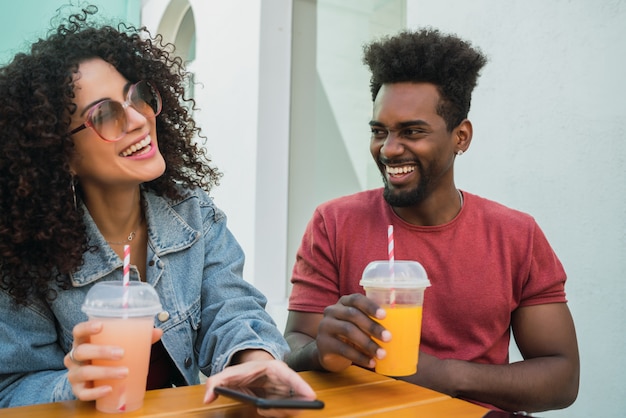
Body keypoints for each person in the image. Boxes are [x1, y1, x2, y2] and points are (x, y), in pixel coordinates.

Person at [0, 6, 315, 415]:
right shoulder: (26, 257)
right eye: (105, 115)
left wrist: (257, 366)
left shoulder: (193, 212)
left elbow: (231, 311)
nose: (136, 119)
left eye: (136, 97)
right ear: (60, 155)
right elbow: (11, 389)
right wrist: (71, 385)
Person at [284, 28, 579, 413]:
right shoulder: (334, 223)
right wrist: (319, 350)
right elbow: (293, 345)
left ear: (461, 136)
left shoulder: (515, 235)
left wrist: (444, 375)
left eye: (412, 131)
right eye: (379, 131)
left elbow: (562, 377)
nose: (389, 149)